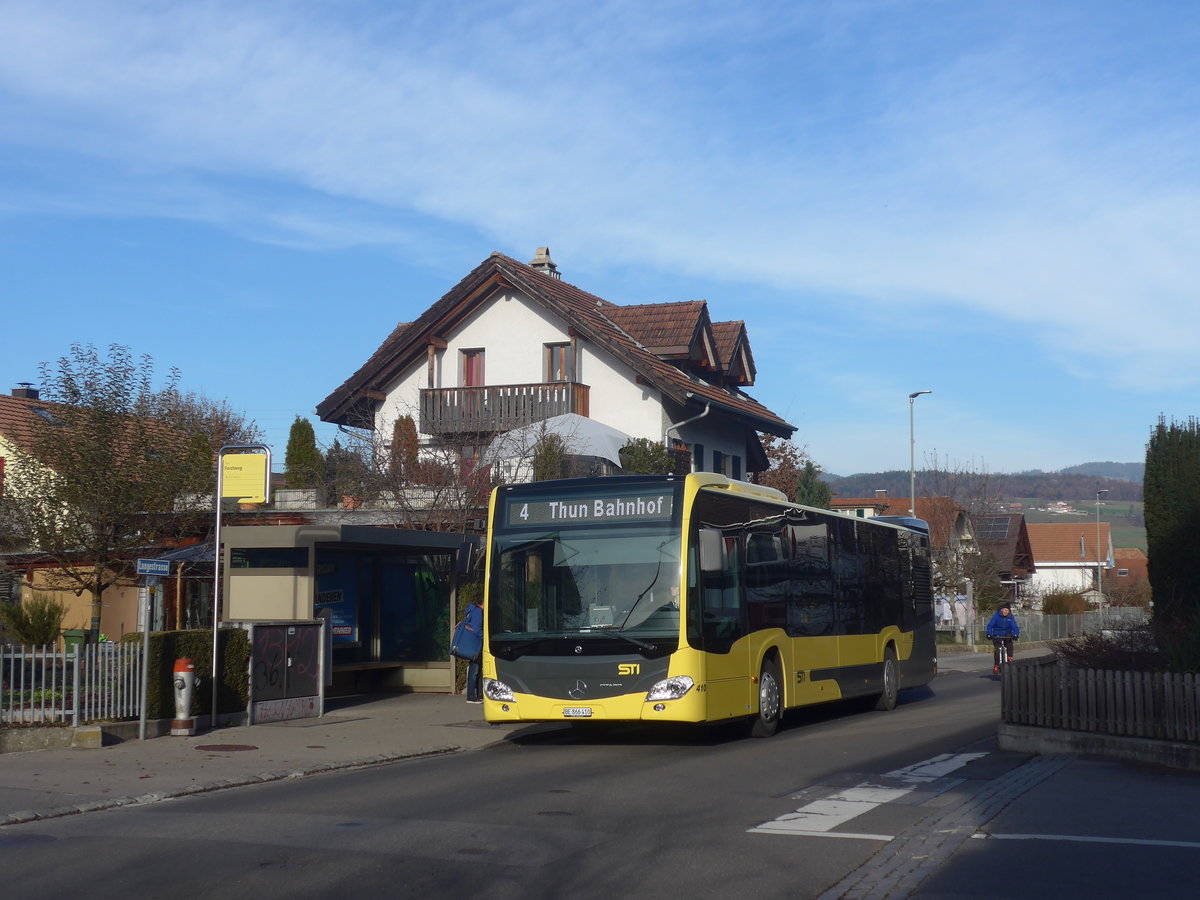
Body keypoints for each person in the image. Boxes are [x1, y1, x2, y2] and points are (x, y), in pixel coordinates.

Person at [453, 600, 484, 703]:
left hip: (474, 645)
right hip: (476, 645)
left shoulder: (474, 611)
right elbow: (476, 629)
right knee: (475, 670)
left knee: (477, 669)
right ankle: (471, 696)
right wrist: (485, 637)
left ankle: (479, 695)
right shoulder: (478, 612)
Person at [985, 602, 1020, 673]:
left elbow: (1014, 626)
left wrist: (1015, 634)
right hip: (997, 635)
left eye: (1007, 610)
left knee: (1010, 645)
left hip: (1007, 635)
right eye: (1004, 610)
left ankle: (1010, 658)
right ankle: (996, 665)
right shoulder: (996, 616)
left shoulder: (1010, 617)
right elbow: (990, 625)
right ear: (1001, 610)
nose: (1006, 612)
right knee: (997, 650)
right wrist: (989, 633)